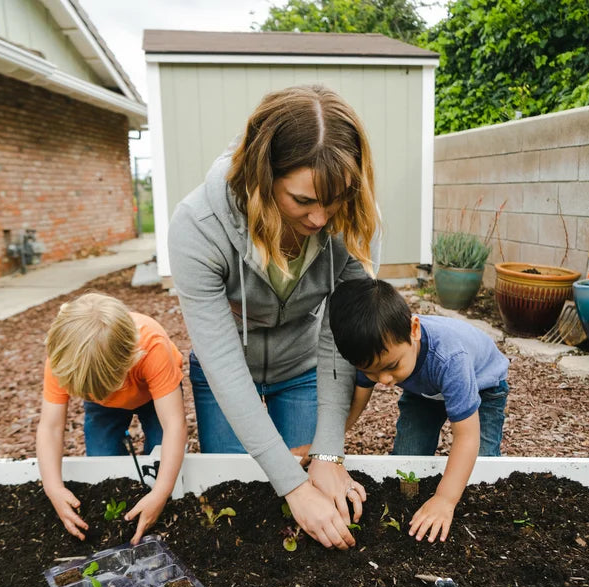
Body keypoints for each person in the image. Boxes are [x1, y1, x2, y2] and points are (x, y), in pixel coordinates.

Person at [168, 85, 381, 550]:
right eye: (303, 201)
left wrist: (328, 452)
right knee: (230, 510)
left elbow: (340, 336)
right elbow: (223, 363)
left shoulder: (351, 220)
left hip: (304, 369)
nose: (322, 218)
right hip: (227, 372)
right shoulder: (198, 227)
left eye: (336, 198)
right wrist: (293, 486)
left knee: (314, 492)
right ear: (263, 178)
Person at [329, 278, 509, 544]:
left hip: (483, 387)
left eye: (392, 367)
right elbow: (358, 401)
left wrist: (444, 499)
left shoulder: (450, 359)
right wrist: (328, 444)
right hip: (423, 392)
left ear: (414, 330)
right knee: (407, 460)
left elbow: (466, 437)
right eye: (371, 372)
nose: (385, 380)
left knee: (481, 469)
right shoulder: (375, 350)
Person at [35, 293, 187, 545]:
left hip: (153, 394)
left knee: (160, 458)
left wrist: (160, 493)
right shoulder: (64, 358)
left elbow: (175, 425)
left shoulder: (151, 346)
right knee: (102, 460)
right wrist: (53, 488)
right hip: (102, 405)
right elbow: (50, 427)